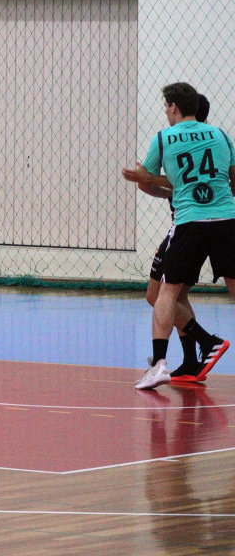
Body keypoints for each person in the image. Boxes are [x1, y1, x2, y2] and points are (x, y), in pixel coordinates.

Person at [122, 82, 235, 389]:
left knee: (165, 294)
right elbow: (232, 180)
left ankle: (162, 363)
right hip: (226, 218)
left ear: (173, 107)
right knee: (180, 294)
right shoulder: (221, 136)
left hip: (188, 223)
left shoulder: (165, 138)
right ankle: (198, 353)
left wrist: (149, 179)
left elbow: (147, 182)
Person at [139, 93, 221, 381]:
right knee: (174, 296)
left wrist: (148, 179)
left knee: (160, 295)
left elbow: (169, 182)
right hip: (190, 228)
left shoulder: (177, 143)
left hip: (186, 229)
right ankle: (191, 360)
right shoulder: (206, 143)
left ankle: (206, 342)